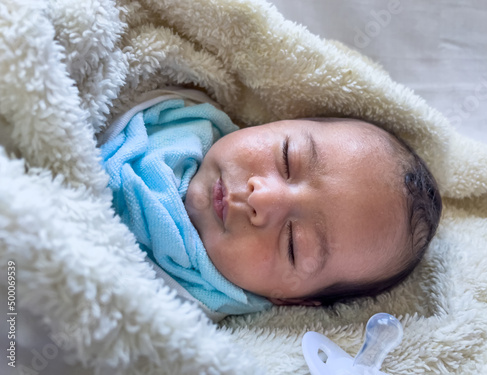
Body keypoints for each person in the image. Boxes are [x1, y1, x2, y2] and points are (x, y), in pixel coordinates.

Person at [99, 87, 442, 320]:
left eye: (294, 244)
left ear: (289, 299)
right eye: (287, 159)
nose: (261, 197)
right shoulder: (177, 109)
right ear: (274, 122)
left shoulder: (181, 314)